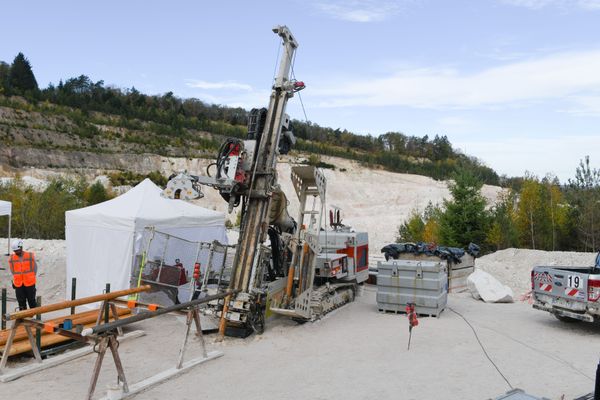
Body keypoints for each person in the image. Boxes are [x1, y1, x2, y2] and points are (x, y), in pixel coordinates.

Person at [8, 240, 37, 310]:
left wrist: (31, 276)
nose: (16, 252)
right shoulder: (11, 258)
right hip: (18, 284)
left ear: (21, 247)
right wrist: (17, 278)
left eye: (17, 250)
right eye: (15, 251)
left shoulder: (30, 255)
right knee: (21, 301)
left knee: (31, 300)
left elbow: (35, 268)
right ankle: (23, 317)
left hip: (30, 282)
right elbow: (12, 271)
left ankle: (34, 316)